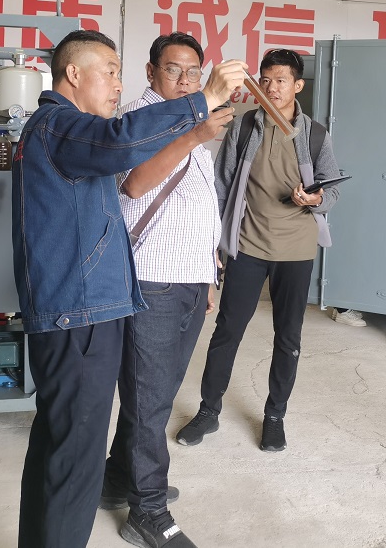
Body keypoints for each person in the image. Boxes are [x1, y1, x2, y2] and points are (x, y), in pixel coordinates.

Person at [11, 29, 246, 548]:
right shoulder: (63, 126)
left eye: (119, 73)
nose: (117, 85)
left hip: (84, 307)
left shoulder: (59, 129)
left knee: (62, 446)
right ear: (74, 74)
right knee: (76, 459)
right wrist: (202, 100)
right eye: (110, 72)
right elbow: (123, 146)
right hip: (80, 311)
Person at [100, 33, 234, 548]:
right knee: (150, 399)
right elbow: (135, 185)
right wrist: (196, 135)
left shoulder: (195, 118)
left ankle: (118, 480)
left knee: (153, 394)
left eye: (193, 71)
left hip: (189, 276)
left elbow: (199, 202)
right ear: (151, 71)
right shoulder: (139, 118)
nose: (184, 80)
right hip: (151, 277)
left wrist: (207, 271)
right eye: (173, 70)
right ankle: (148, 510)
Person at [176, 48, 341, 454]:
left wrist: (315, 199)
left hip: (296, 249)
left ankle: (274, 416)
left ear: (297, 85)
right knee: (227, 330)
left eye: (281, 80)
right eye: (265, 80)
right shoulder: (244, 126)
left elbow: (331, 189)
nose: (271, 88)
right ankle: (208, 410)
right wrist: (213, 244)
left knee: (288, 337)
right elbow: (220, 186)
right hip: (247, 244)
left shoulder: (315, 135)